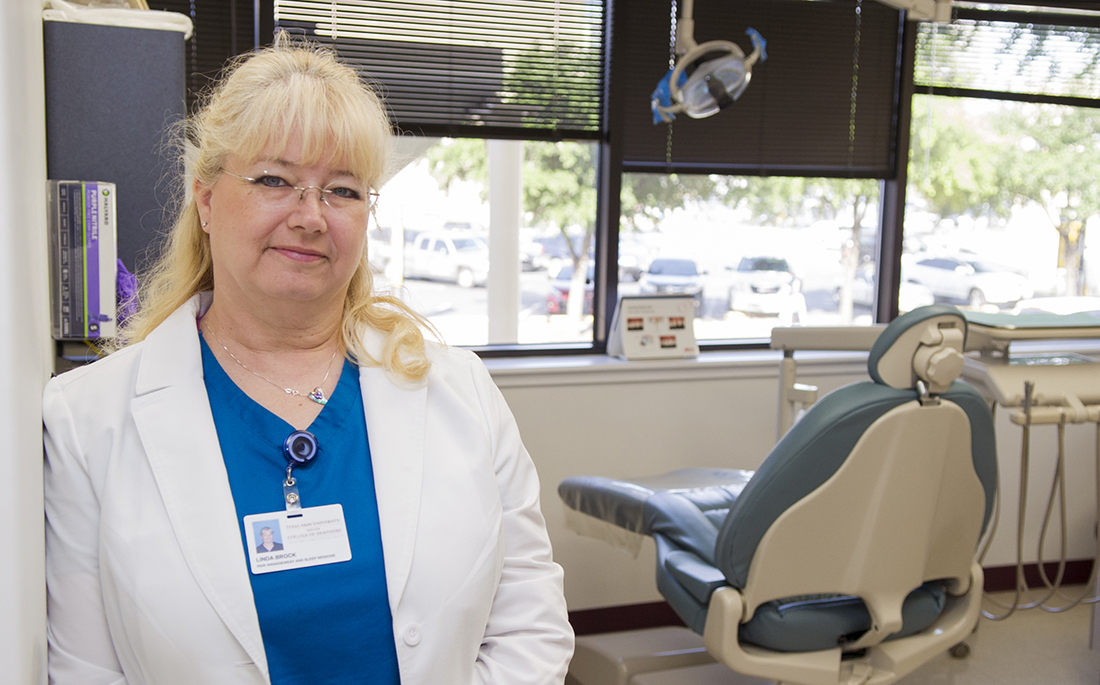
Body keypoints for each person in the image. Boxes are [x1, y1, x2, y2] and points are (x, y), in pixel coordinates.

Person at [43, 34, 573, 685]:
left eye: (343, 191)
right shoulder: (84, 422)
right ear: (206, 198)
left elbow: (531, 630)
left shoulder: (461, 392)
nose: (311, 216)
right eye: (275, 180)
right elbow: (84, 671)